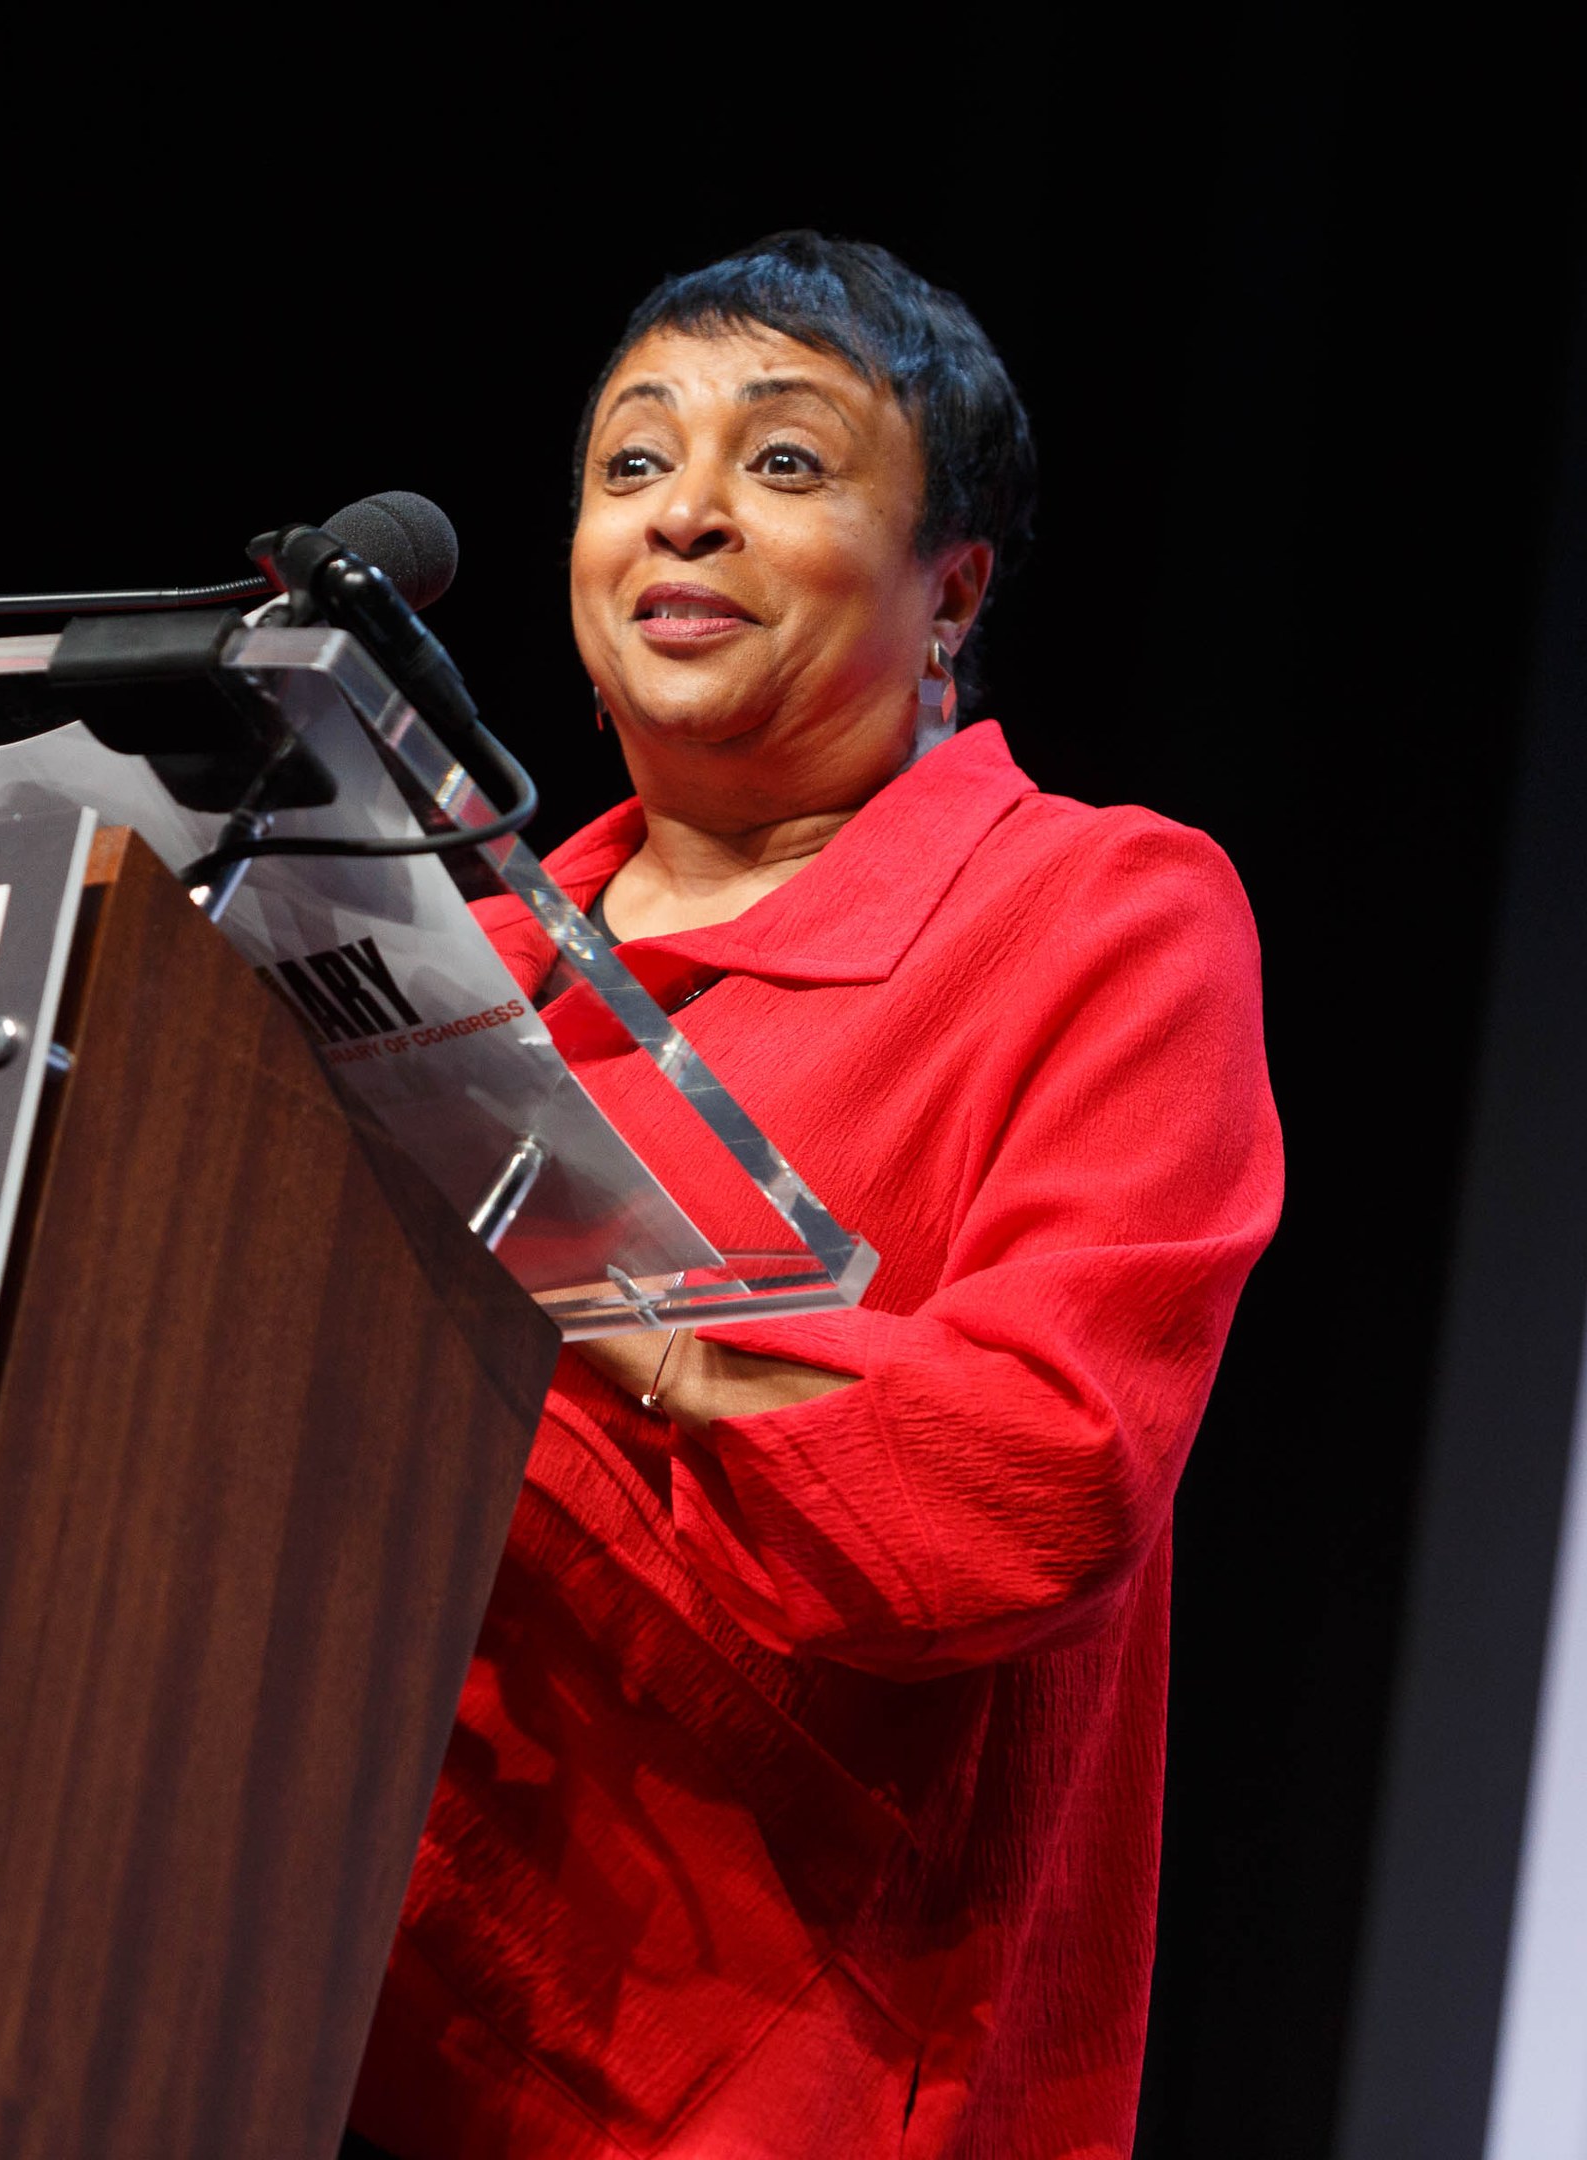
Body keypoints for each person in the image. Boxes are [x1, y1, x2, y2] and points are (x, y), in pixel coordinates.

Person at [345, 233, 1285, 2158]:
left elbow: (1031, 1477)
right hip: (310, 2009)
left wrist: (593, 1281)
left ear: (953, 594)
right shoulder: (449, 978)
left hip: (799, 2088)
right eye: (631, 467)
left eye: (782, 465)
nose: (684, 513)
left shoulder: (1098, 914)